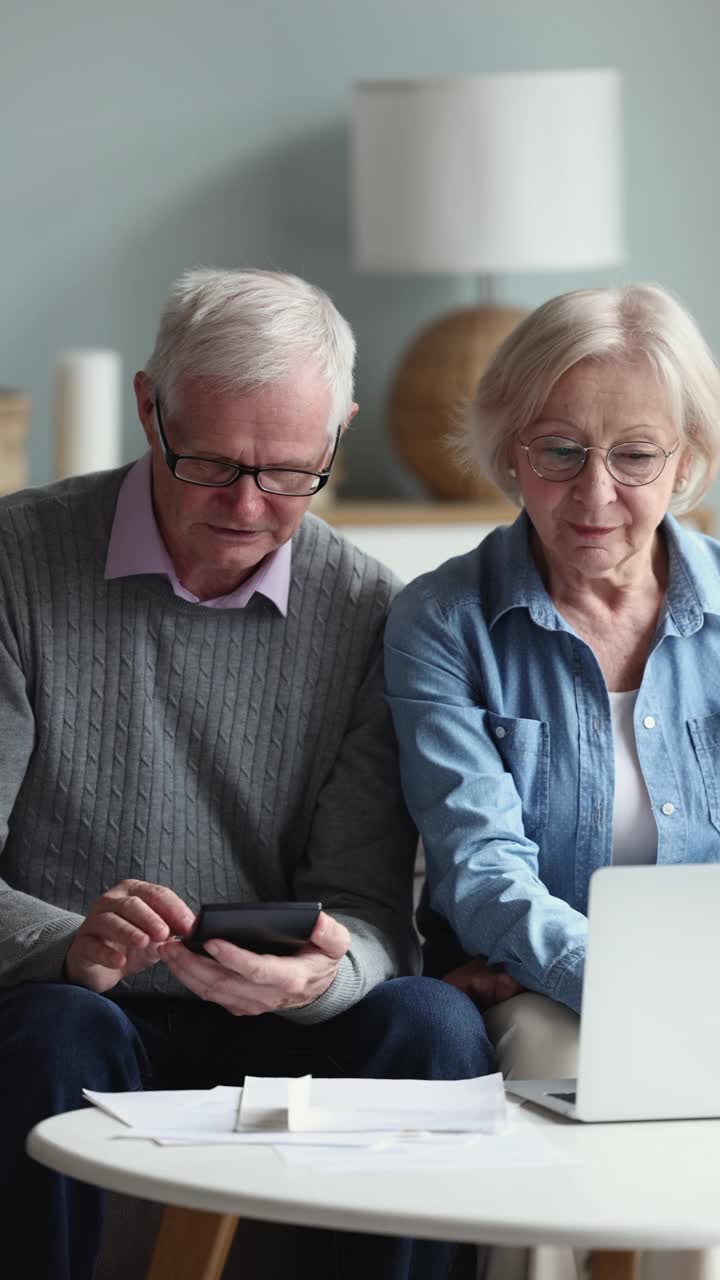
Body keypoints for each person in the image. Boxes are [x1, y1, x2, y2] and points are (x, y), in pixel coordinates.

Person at [0, 268, 494, 1280]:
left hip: (279, 1029)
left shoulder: (369, 612)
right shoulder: (14, 563)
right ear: (150, 406)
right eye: (212, 462)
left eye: (287, 473)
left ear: (338, 435)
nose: (247, 504)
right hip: (72, 1009)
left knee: (434, 1022)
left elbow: (366, 909)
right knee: (57, 1028)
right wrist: (69, 944)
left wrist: (323, 971)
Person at [385, 284, 720, 1279]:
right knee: (556, 1073)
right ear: (508, 450)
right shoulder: (444, 621)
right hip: (535, 985)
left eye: (636, 455)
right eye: (559, 450)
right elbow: (482, 868)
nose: (596, 494)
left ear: (688, 461)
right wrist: (629, 987)